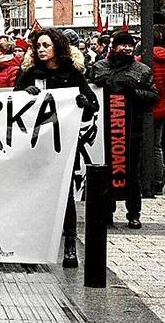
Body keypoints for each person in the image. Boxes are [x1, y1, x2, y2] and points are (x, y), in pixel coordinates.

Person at [14, 28, 99, 267]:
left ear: (57, 48)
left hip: (63, 145)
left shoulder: (72, 74)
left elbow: (93, 105)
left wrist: (83, 104)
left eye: (46, 46)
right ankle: (30, 244)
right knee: (33, 193)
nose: (41, 50)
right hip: (36, 144)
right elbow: (13, 105)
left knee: (65, 196)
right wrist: (24, 95)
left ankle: (70, 244)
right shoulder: (29, 75)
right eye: (38, 46)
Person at [88, 31, 159, 220]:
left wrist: (134, 91)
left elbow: (153, 96)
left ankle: (133, 213)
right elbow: (87, 91)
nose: (127, 48)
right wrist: (96, 85)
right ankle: (107, 212)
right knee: (106, 170)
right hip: (105, 130)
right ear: (114, 47)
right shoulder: (99, 67)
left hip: (131, 130)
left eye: (130, 45)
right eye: (123, 44)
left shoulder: (142, 70)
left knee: (132, 171)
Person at [152, 26, 165, 196]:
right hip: (163, 107)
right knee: (157, 146)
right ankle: (159, 180)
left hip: (150, 108)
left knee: (151, 145)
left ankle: (152, 179)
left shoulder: (144, 59)